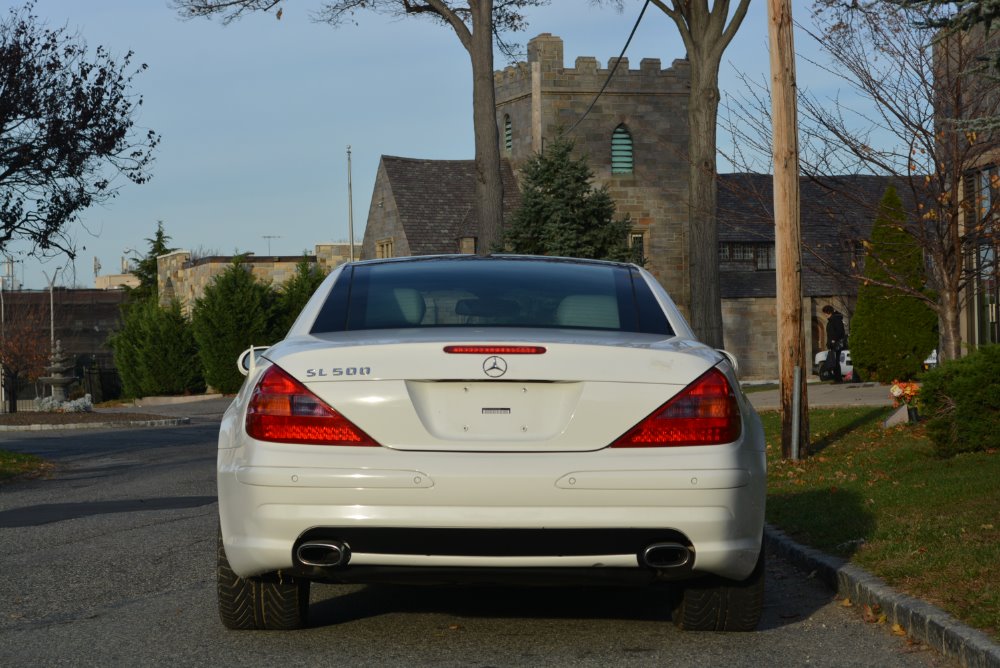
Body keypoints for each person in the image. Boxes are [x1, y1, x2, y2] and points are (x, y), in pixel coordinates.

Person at [822, 305, 847, 383]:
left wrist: (833, 340)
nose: (824, 315)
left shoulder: (835, 319)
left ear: (828, 312)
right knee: (834, 361)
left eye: (825, 313)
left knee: (835, 361)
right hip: (833, 343)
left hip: (836, 344)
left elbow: (839, 332)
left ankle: (838, 379)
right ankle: (837, 378)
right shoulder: (832, 319)